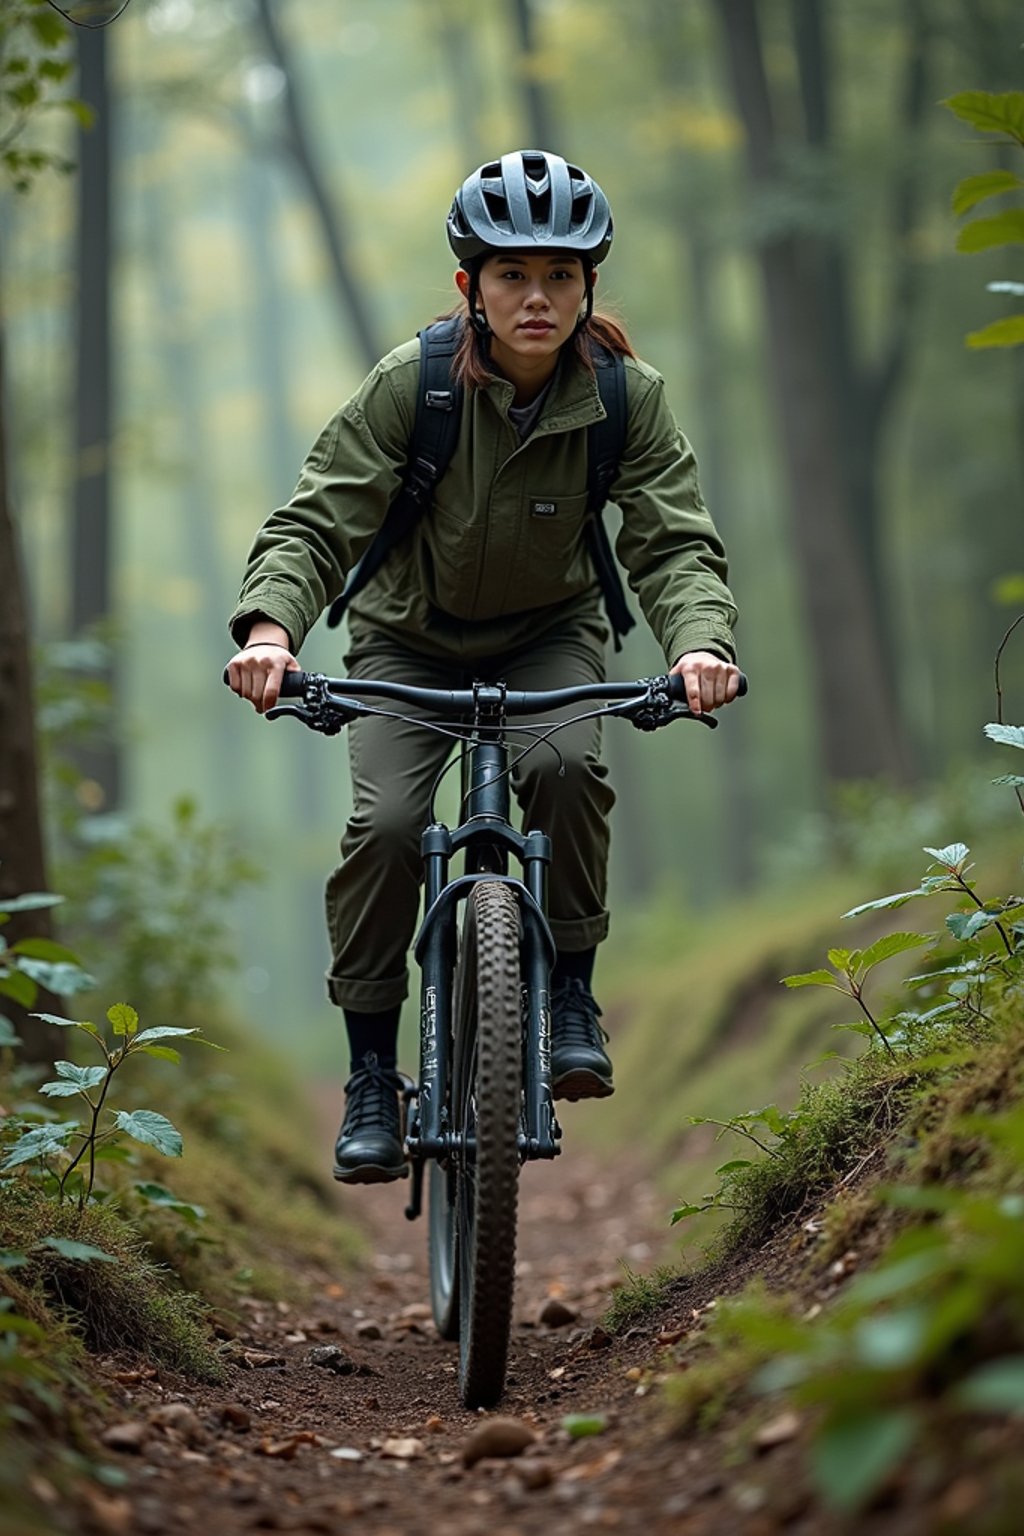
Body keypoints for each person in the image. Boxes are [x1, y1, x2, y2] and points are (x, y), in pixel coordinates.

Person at [225, 150, 741, 1185]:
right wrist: (273, 629)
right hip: (404, 639)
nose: (537, 298)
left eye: (559, 275)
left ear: (588, 284)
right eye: (512, 276)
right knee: (382, 829)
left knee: (561, 772)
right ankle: (374, 1072)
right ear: (471, 287)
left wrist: (698, 642)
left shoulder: (624, 400)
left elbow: (672, 543)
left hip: (549, 634)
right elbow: (318, 517)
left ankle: (572, 996)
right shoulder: (410, 387)